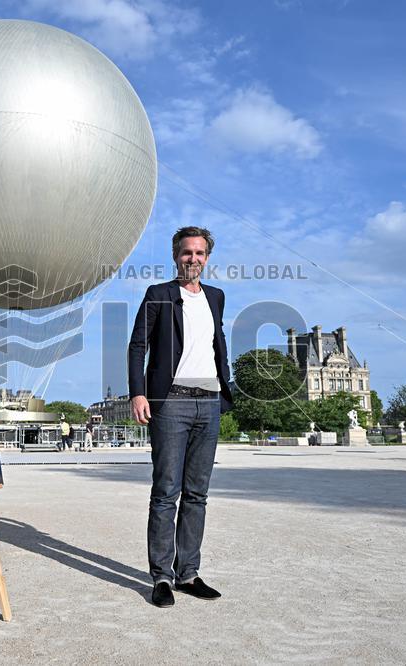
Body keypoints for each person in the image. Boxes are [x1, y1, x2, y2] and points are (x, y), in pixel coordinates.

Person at [127, 226, 234, 608]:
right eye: (187, 253)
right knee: (165, 491)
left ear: (208, 258)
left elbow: (214, 343)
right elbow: (138, 344)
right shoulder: (159, 295)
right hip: (170, 402)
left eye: (200, 253)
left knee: (197, 495)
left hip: (209, 401)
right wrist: (138, 392)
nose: (193, 259)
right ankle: (161, 577)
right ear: (176, 256)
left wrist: (225, 385)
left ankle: (188, 573)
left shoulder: (217, 298)